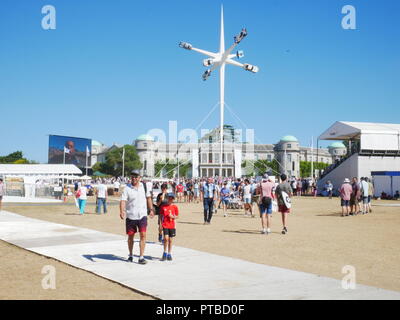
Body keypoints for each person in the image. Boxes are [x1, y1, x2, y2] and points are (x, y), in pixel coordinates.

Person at [119, 170, 154, 264]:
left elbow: (148, 198)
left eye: (136, 177)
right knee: (131, 237)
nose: (134, 178)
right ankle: (130, 255)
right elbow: (123, 200)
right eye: (132, 177)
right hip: (131, 216)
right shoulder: (127, 188)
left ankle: (141, 257)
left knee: (143, 235)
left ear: (139, 178)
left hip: (142, 215)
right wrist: (122, 211)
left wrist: (151, 209)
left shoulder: (145, 186)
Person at [160, 193, 179, 261]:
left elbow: (177, 216)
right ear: (167, 198)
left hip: (172, 225)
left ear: (173, 199)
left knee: (170, 240)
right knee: (166, 238)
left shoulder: (175, 207)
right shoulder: (164, 207)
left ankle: (169, 253)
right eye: (169, 198)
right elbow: (161, 216)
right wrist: (160, 225)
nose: (170, 199)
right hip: (165, 225)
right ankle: (164, 252)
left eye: (172, 198)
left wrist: (173, 217)